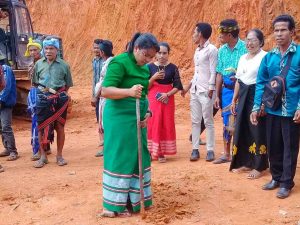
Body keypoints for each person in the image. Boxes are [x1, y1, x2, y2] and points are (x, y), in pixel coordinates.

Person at [100, 32, 159, 217]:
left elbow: (144, 93)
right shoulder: (119, 62)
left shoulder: (144, 68)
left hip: (138, 119)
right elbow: (105, 91)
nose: (148, 60)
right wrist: (129, 91)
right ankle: (112, 206)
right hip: (119, 118)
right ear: (136, 49)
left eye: (151, 57)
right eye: (145, 55)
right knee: (120, 156)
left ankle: (133, 201)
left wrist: (147, 113)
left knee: (138, 157)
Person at [250, 14, 300, 199]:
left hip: (291, 111)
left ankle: (287, 183)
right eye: (276, 30)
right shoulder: (269, 57)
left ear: (292, 32)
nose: (278, 34)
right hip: (272, 109)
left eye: (283, 30)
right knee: (274, 145)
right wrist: (257, 107)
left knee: (290, 148)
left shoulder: (299, 55)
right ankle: (276, 178)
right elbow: (261, 83)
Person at [229, 29, 268, 178]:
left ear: (261, 42)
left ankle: (260, 166)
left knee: (257, 130)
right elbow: (239, 80)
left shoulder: (265, 57)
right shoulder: (242, 58)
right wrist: (234, 100)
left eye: (253, 40)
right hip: (243, 95)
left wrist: (263, 103)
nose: (249, 43)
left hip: (257, 95)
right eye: (247, 40)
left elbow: (268, 82)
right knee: (243, 129)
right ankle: (245, 162)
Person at [32, 38, 73, 168]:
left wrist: (57, 95)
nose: (48, 51)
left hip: (59, 99)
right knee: (41, 127)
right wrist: (45, 95)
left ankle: (59, 156)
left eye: (52, 48)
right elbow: (35, 83)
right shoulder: (38, 64)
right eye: (46, 48)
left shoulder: (64, 65)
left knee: (60, 127)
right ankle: (43, 156)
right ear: (43, 49)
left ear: (57, 50)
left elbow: (67, 85)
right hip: (42, 99)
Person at [181, 22, 217, 162]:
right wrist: (188, 87)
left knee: (208, 120)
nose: (193, 35)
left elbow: (213, 71)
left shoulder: (212, 50)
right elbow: (197, 73)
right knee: (195, 121)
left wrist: (211, 88)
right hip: (196, 91)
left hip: (206, 91)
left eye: (195, 32)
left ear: (201, 33)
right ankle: (195, 149)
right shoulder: (197, 50)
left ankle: (210, 150)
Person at [213, 19, 247, 164]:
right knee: (227, 120)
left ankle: (242, 154)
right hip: (227, 91)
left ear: (230, 34)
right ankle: (227, 153)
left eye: (222, 33)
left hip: (244, 89)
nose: (219, 36)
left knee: (243, 120)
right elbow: (219, 73)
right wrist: (217, 94)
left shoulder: (245, 47)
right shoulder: (221, 50)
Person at [147, 42, 183, 162]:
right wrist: (154, 77)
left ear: (168, 54)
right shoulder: (150, 67)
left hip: (167, 99)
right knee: (153, 123)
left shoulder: (173, 68)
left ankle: (161, 153)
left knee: (165, 123)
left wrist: (167, 94)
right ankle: (151, 151)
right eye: (159, 53)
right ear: (155, 54)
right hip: (153, 99)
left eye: (164, 53)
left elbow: (178, 85)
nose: (162, 56)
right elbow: (145, 86)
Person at [25, 38, 52, 161]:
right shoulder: (31, 64)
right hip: (34, 93)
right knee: (36, 121)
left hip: (46, 92)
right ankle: (38, 148)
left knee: (48, 120)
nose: (33, 52)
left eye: (35, 50)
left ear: (39, 50)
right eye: (30, 50)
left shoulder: (45, 63)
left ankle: (45, 146)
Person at [94, 40, 114, 157]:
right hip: (104, 97)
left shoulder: (109, 64)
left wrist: (95, 95)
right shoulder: (107, 62)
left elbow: (103, 82)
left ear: (101, 52)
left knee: (106, 123)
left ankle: (108, 148)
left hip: (106, 97)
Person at [0, 57, 18, 162]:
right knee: (1, 127)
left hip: (5, 103)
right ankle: (7, 148)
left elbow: (7, 87)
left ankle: (13, 151)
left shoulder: (6, 69)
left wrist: (1, 101)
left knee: (6, 126)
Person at [91, 39, 104, 154]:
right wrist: (93, 95)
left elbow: (103, 81)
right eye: (94, 47)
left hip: (104, 94)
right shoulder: (94, 61)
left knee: (104, 120)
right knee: (99, 119)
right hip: (96, 94)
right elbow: (94, 80)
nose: (96, 50)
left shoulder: (105, 62)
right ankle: (102, 142)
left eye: (98, 48)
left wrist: (96, 95)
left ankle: (105, 146)